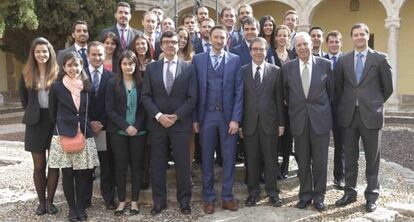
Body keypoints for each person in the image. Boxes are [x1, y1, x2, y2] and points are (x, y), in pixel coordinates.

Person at [334, 23, 393, 213]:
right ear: (351, 38)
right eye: (355, 34)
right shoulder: (343, 60)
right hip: (349, 116)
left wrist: (373, 102)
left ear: (367, 36)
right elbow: (339, 88)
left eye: (362, 34)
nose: (359, 37)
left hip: (371, 115)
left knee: (372, 159)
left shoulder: (380, 59)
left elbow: (388, 88)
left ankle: (372, 196)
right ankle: (350, 192)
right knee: (350, 157)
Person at [142, 31, 197, 216]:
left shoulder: (188, 68)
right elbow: (146, 96)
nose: (170, 45)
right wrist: (158, 116)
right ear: (161, 45)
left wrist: (176, 116)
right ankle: (159, 202)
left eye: (174, 42)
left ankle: (184, 201)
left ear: (179, 44)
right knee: (157, 165)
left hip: (180, 125)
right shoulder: (152, 68)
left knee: (183, 165)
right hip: (157, 125)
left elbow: (192, 98)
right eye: (166, 42)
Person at [192, 25, 243, 214]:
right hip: (206, 117)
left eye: (222, 37)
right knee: (206, 159)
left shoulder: (235, 60)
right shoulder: (198, 60)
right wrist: (195, 119)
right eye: (216, 37)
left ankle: (227, 197)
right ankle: (209, 198)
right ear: (209, 38)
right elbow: (194, 91)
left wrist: (236, 119)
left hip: (227, 118)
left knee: (229, 159)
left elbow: (239, 92)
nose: (219, 40)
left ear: (227, 39)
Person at [282, 32, 333, 211]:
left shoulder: (326, 65)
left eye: (305, 44)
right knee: (303, 162)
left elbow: (331, 94)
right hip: (299, 121)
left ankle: (319, 196)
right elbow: (287, 95)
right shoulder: (287, 68)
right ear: (294, 49)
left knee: (320, 162)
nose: (302, 48)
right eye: (298, 45)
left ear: (312, 44)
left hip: (321, 122)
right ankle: (305, 195)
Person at [48, 52, 99, 221]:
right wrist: (65, 125)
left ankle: (80, 207)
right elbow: (52, 113)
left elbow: (88, 111)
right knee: (68, 174)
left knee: (83, 174)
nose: (74, 68)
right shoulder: (56, 87)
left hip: (83, 134)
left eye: (77, 65)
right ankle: (71, 209)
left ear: (81, 66)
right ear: (63, 67)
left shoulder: (86, 86)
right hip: (63, 135)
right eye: (70, 65)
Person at [241, 37, 285, 207]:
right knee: (251, 160)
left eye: (262, 49)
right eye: (255, 49)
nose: (259, 52)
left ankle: (272, 192)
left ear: (266, 51)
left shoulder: (275, 71)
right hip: (249, 123)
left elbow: (279, 99)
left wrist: (281, 124)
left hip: (270, 123)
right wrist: (240, 124)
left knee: (271, 159)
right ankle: (253, 192)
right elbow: (240, 100)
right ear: (250, 51)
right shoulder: (243, 71)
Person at [19, 37, 60, 216]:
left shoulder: (58, 72)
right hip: (35, 122)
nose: (42, 54)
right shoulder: (26, 73)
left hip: (54, 122)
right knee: (38, 165)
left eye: (44, 51)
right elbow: (24, 100)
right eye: (38, 52)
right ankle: (41, 202)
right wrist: (33, 112)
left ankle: (50, 202)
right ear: (33, 54)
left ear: (49, 52)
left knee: (54, 164)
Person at [105, 50, 147, 216]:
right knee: (120, 166)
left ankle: (135, 201)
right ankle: (122, 201)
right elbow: (110, 109)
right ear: (120, 65)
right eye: (125, 63)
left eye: (131, 63)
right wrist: (125, 126)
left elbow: (145, 108)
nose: (128, 66)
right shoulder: (111, 83)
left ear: (135, 65)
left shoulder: (142, 82)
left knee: (137, 166)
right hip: (118, 131)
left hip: (139, 130)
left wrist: (136, 125)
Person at [85, 41, 116, 210]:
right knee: (86, 167)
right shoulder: (80, 76)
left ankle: (109, 198)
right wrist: (89, 122)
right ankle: (85, 199)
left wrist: (101, 123)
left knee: (107, 166)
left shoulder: (111, 77)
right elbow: (78, 104)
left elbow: (112, 104)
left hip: (105, 128)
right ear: (88, 55)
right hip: (85, 127)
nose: (97, 58)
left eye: (100, 55)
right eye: (94, 54)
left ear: (105, 56)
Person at [266, 24, 297, 179]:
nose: (283, 38)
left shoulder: (294, 54)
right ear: (275, 37)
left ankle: (285, 164)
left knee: (288, 137)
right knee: (276, 136)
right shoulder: (269, 54)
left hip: (291, 103)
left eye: (285, 35)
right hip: (275, 102)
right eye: (280, 35)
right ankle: (274, 167)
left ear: (288, 38)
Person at [130, 34, 152, 190]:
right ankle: (135, 176)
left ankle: (146, 175)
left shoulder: (153, 63)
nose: (140, 46)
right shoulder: (130, 63)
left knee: (149, 145)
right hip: (135, 106)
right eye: (137, 44)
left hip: (150, 108)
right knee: (137, 144)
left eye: (143, 43)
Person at [324, 30, 345, 189]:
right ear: (327, 44)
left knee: (341, 146)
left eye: (336, 41)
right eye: (331, 42)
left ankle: (340, 177)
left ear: (341, 43)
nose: (334, 44)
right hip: (323, 110)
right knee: (320, 146)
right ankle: (319, 177)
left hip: (341, 111)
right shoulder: (320, 61)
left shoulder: (346, 60)